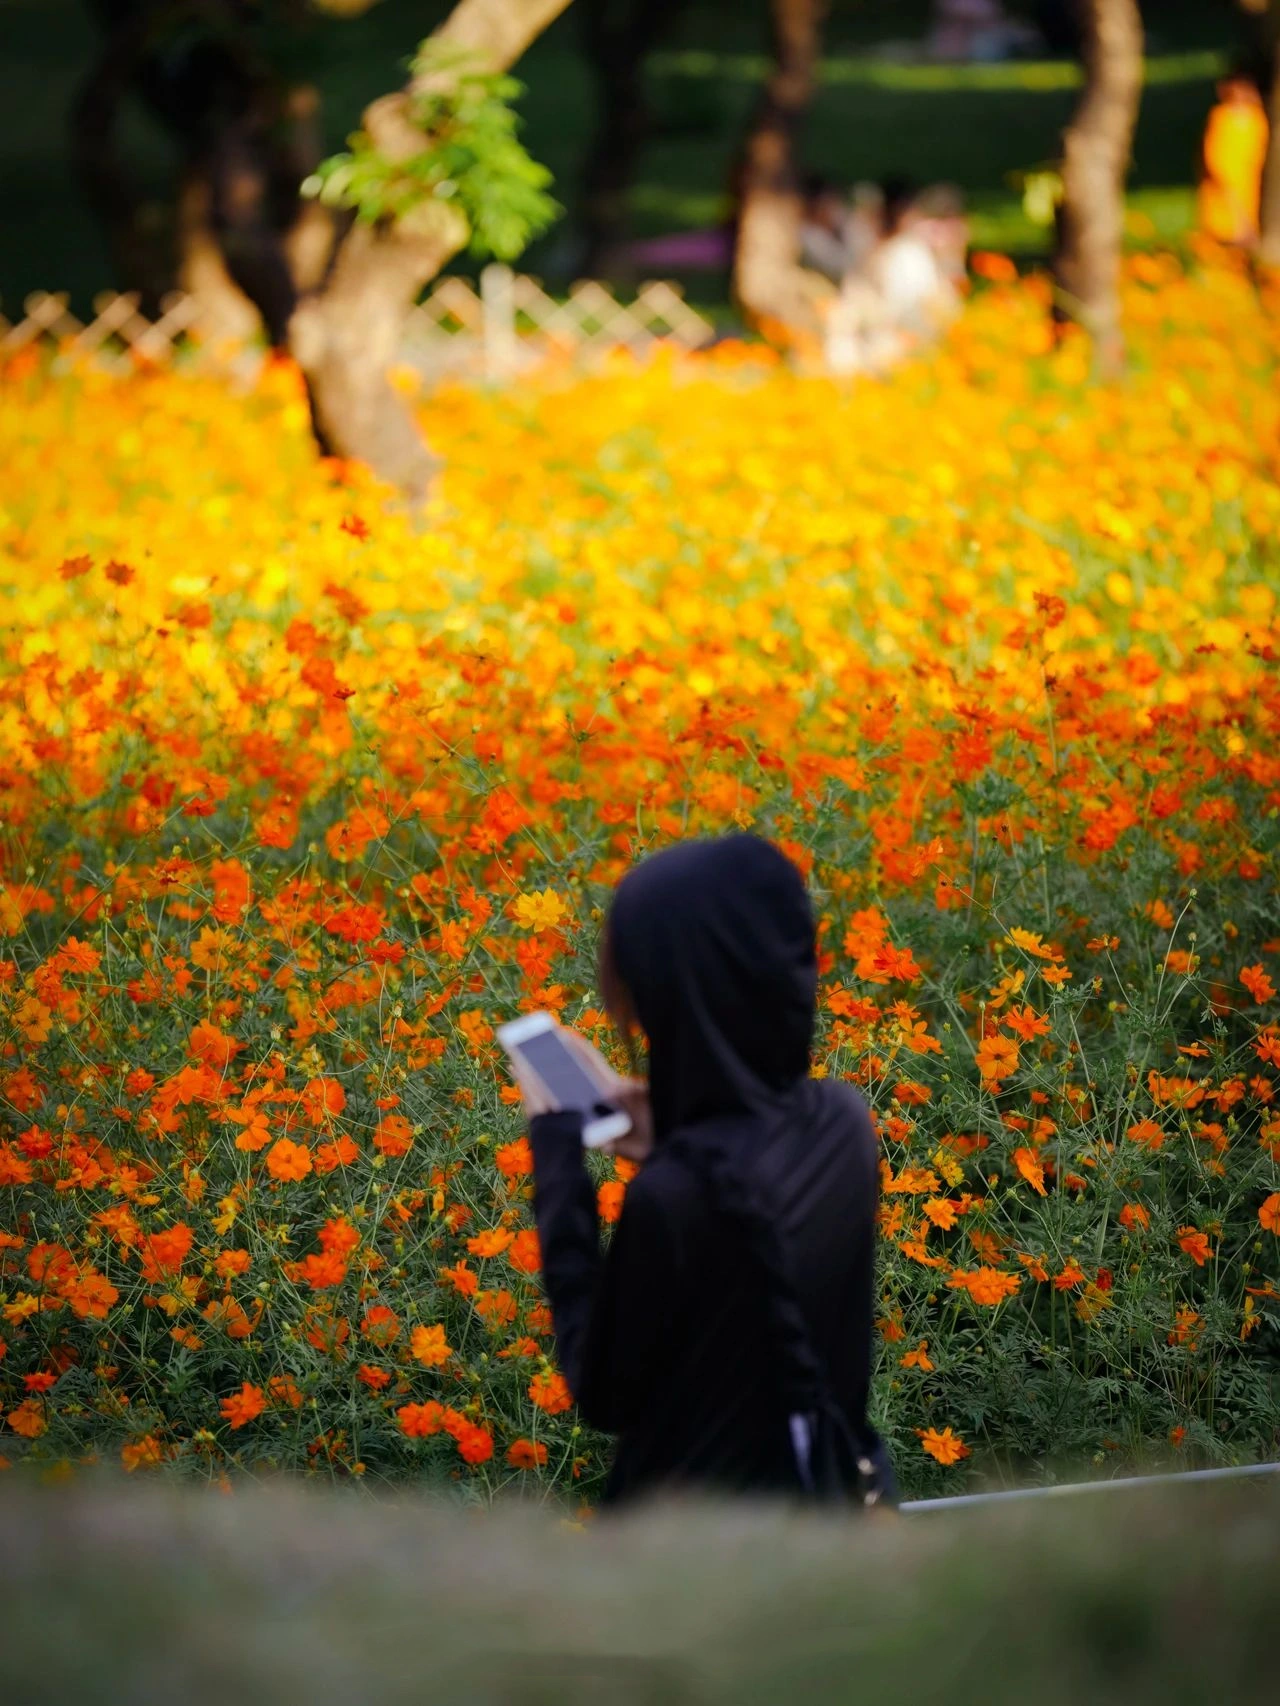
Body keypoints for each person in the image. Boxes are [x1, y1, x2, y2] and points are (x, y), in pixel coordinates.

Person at [518, 834, 889, 1507]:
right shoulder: (844, 1124)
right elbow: (754, 1200)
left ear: (665, 1001)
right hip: (831, 1513)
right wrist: (674, 1127)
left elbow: (602, 1391)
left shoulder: (677, 1199)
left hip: (694, 1558)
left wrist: (557, 1154)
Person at [1198, 75, 1270, 248]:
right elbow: (1213, 148)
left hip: (1248, 175)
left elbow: (1261, 145)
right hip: (1224, 175)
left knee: (1248, 212)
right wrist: (1219, 173)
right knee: (1226, 217)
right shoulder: (1221, 116)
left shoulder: (1257, 118)